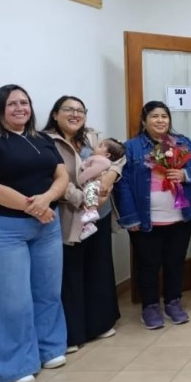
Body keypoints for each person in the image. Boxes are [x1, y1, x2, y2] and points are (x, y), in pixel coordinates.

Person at [0, 84, 69, 382]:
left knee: (47, 292)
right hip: (2, 228)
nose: (19, 108)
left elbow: (62, 175)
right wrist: (34, 207)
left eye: (24, 103)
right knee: (10, 300)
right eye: (12, 103)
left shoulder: (41, 139)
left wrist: (47, 199)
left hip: (46, 225)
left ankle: (49, 348)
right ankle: (11, 367)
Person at [115, 101, 191, 329]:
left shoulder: (182, 142)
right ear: (144, 121)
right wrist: (130, 218)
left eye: (164, 116)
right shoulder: (132, 147)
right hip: (147, 220)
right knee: (148, 265)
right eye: (155, 116)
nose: (160, 121)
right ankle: (150, 307)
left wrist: (186, 174)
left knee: (175, 262)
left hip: (179, 215)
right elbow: (123, 184)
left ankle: (173, 302)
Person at [42, 96, 124, 355]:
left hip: (99, 214)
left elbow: (119, 157)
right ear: (55, 114)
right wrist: (79, 199)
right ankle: (73, 333)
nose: (75, 114)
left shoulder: (91, 137)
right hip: (71, 215)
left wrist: (109, 177)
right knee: (71, 273)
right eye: (69, 109)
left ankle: (100, 324)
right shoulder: (46, 141)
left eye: (80, 110)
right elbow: (51, 176)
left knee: (99, 269)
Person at [76, 138, 125, 240]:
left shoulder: (101, 160)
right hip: (96, 188)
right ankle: (89, 225)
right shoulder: (100, 158)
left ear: (107, 155)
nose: (95, 146)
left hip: (95, 185)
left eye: (100, 146)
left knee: (90, 193)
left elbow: (90, 173)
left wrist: (78, 181)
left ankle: (92, 212)